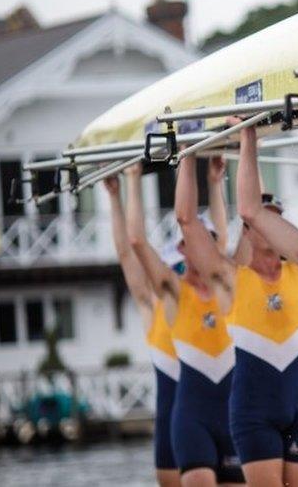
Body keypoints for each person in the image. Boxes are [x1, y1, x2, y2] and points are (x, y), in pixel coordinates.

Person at [174, 147, 298, 487]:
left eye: (277, 219)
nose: (271, 226)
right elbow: (187, 221)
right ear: (248, 229)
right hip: (254, 415)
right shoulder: (230, 279)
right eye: (262, 220)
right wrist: (187, 157)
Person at [126, 158, 244, 487]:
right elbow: (135, 244)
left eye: (209, 240)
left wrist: (215, 182)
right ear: (183, 247)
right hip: (191, 419)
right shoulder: (173, 293)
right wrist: (133, 181)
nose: (204, 245)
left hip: (233, 418)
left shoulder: (229, 287)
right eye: (197, 239)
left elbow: (225, 236)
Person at [105, 174, 180, 487]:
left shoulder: (216, 301)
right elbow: (127, 252)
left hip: (214, 421)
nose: (178, 275)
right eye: (173, 269)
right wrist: (117, 195)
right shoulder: (153, 307)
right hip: (170, 426)